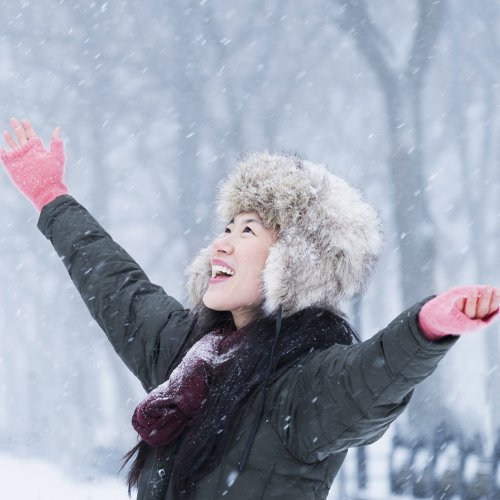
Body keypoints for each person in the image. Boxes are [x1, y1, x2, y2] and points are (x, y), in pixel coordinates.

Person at [1, 117, 499, 500]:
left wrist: (427, 328)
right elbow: (118, 289)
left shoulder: (304, 387)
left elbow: (368, 380)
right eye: (227, 226)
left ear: (293, 262)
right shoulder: (190, 357)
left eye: (248, 230)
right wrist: (52, 198)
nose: (222, 242)